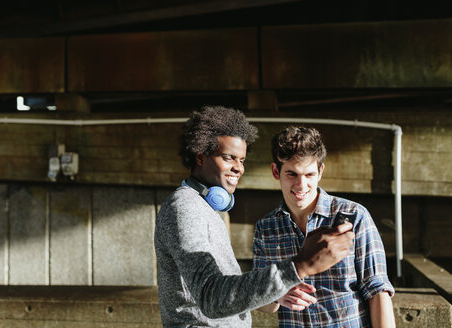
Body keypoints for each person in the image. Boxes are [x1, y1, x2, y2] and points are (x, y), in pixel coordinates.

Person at [154, 106, 355, 327]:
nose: (238, 168)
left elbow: (227, 291)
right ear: (200, 156)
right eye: (229, 158)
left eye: (242, 160)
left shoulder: (206, 209)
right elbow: (211, 298)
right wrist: (299, 266)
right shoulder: (185, 208)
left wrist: (277, 291)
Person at [253, 126, 396, 328]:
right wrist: (278, 295)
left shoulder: (353, 217)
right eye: (292, 174)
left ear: (320, 171)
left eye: (309, 174)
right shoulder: (266, 228)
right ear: (276, 171)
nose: (301, 185)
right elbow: (260, 301)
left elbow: (377, 289)